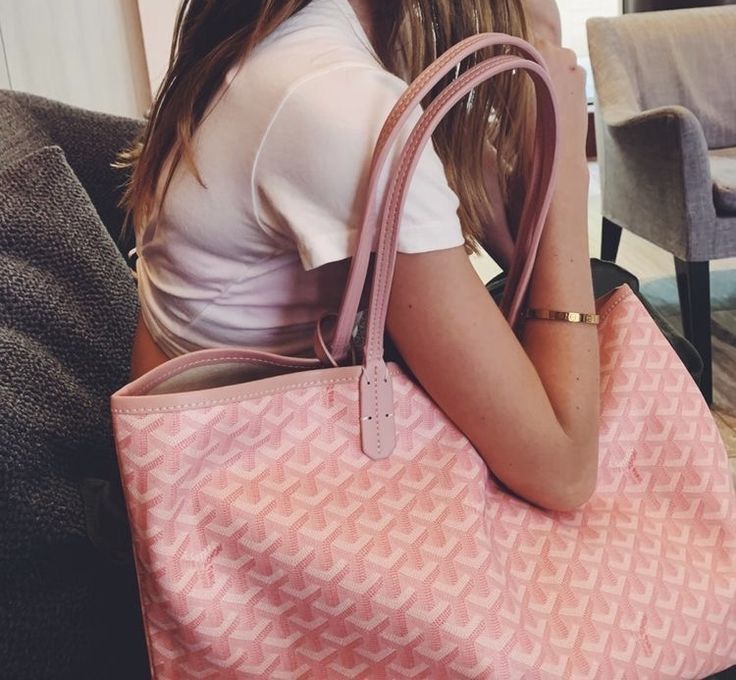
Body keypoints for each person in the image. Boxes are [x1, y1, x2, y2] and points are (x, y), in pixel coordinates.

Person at [120, 0, 599, 512]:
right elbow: (564, 473)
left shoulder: (289, 40)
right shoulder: (341, 101)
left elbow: (518, 250)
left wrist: (534, 54)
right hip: (234, 497)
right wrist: (569, 167)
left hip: (217, 455)